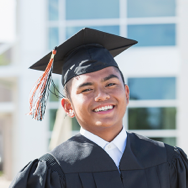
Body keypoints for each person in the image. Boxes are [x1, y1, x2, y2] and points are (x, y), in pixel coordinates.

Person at [10, 28, 188, 188]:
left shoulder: (167, 160)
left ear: (126, 93)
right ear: (68, 107)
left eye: (110, 84)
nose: (102, 95)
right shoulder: (50, 174)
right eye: (87, 89)